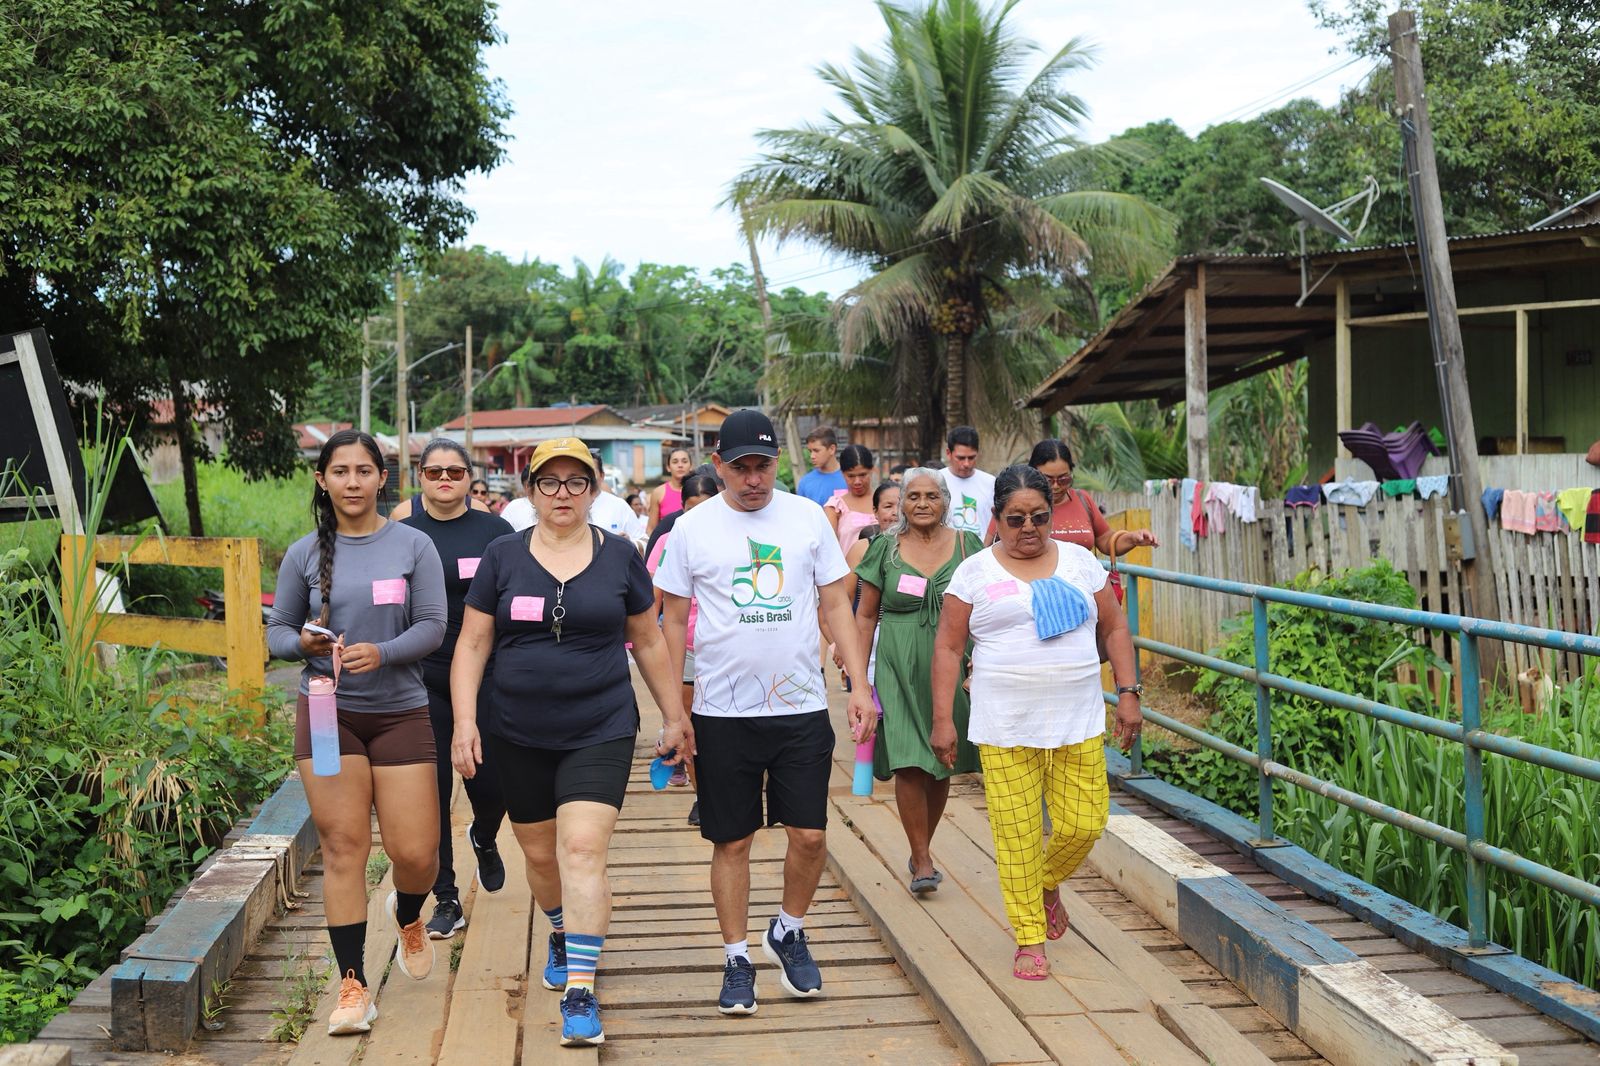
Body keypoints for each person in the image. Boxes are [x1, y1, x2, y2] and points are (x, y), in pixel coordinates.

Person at [450, 437, 686, 1048]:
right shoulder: (502, 556)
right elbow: (472, 643)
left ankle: (580, 988)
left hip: (600, 726)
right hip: (515, 730)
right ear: (530, 491)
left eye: (576, 482)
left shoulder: (621, 557)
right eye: (549, 482)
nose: (563, 493)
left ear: (594, 489)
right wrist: (465, 721)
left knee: (581, 850)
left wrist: (674, 716)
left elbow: (648, 640)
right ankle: (560, 928)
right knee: (539, 855)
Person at [654, 409, 875, 1016]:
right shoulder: (692, 528)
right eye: (741, 467)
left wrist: (859, 685)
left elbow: (835, 604)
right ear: (718, 465)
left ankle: (788, 929)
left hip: (800, 704)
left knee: (810, 834)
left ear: (779, 462)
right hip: (721, 712)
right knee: (733, 840)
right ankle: (736, 957)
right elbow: (672, 620)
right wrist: (674, 711)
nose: (753, 479)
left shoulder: (806, 517)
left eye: (764, 466)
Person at [266, 429, 447, 1036]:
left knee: (415, 854)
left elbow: (433, 625)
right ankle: (353, 986)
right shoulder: (303, 553)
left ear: (381, 478)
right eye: (339, 471)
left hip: (400, 711)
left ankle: (409, 911)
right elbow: (277, 631)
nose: (351, 482)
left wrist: (384, 652)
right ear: (322, 480)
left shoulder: (414, 544)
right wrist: (302, 643)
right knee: (344, 848)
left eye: (363, 471)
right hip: (327, 714)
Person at [931, 465, 1142, 981]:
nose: (1029, 528)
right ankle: (1029, 938)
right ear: (997, 517)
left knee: (1085, 823)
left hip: (1078, 718)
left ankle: (1046, 883)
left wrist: (1129, 693)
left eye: (1040, 517)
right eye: (1016, 518)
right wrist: (943, 719)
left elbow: (1115, 628)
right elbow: (949, 647)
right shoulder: (974, 573)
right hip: (1004, 723)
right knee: (1017, 834)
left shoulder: (1080, 562)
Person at [400, 439, 515, 942]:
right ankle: (446, 898)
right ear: (419, 478)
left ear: (470, 477)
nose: (444, 479)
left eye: (454, 471)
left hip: (487, 675)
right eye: (434, 472)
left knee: (492, 783)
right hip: (421, 678)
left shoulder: (496, 533)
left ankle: (484, 835)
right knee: (431, 792)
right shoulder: (403, 537)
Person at [854, 470, 981, 894]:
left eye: (931, 496)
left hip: (951, 661)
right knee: (909, 758)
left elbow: (986, 607)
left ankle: (921, 843)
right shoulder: (885, 549)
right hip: (897, 662)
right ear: (902, 503)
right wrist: (858, 677)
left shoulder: (967, 545)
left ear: (945, 501)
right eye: (913, 496)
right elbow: (865, 615)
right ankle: (922, 859)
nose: (922, 503)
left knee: (941, 759)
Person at [646, 473, 721, 817]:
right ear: (681, 508)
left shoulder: (736, 535)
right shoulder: (669, 540)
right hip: (686, 647)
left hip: (728, 648)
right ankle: (703, 797)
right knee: (689, 725)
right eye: (692, 508)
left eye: (706, 507)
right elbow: (654, 597)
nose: (699, 516)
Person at [1028, 440, 1158, 556]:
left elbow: (1106, 540)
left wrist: (1133, 538)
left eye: (1063, 479)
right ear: (1032, 474)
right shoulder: (1024, 505)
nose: (1056, 486)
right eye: (1048, 480)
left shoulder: (1082, 499)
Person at [939, 426, 995, 538]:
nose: (966, 464)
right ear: (948, 453)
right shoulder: (936, 481)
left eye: (971, 458)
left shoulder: (990, 482)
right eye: (960, 458)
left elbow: (997, 518)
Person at [824, 444, 880, 553]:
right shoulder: (836, 506)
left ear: (872, 470)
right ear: (842, 474)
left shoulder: (884, 501)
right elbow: (828, 546)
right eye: (851, 476)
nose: (857, 481)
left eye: (862, 475)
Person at [795, 425, 846, 505]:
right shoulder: (805, 482)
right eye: (810, 451)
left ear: (832, 449)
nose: (812, 456)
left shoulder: (850, 478)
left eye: (816, 451)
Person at [647, 448, 694, 534]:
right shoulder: (658, 493)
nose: (680, 465)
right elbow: (651, 529)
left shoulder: (699, 490)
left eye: (684, 461)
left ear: (691, 466)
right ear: (668, 467)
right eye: (675, 462)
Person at [501, 467, 536, 532]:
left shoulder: (550, 503)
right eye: (529, 485)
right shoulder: (514, 506)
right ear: (524, 486)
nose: (532, 488)